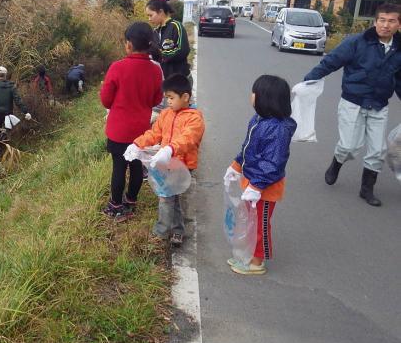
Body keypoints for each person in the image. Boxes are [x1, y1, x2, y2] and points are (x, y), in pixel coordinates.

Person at [303, 3, 401, 207]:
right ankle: (336, 164)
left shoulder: (399, 49)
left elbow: (399, 80)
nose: (385, 25)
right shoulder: (357, 42)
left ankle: (367, 190)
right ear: (375, 22)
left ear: (398, 24)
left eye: (391, 21)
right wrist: (307, 82)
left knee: (377, 150)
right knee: (349, 147)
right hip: (352, 102)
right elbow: (331, 62)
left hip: (379, 105)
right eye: (382, 20)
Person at [223, 75, 297, 275]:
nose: (251, 96)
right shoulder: (258, 120)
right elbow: (249, 149)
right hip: (252, 182)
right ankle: (248, 255)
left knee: (260, 225)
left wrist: (257, 186)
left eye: (254, 92)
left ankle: (256, 262)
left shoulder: (279, 129)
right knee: (249, 220)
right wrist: (236, 165)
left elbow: (273, 163)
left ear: (265, 98)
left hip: (265, 187)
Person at [126, 74, 205, 247]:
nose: (168, 101)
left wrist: (170, 149)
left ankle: (160, 233)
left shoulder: (194, 118)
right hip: (166, 164)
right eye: (166, 98)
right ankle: (177, 230)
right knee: (172, 197)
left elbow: (188, 138)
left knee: (166, 196)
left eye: (171, 97)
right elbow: (155, 134)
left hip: (182, 165)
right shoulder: (166, 114)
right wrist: (137, 144)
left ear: (185, 97)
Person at [100, 22, 163, 221]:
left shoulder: (117, 67)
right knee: (136, 166)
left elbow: (106, 100)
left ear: (128, 44)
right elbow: (156, 100)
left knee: (119, 167)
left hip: (118, 131)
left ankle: (116, 207)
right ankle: (131, 201)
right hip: (142, 131)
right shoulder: (155, 71)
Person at [146, 0, 191, 79]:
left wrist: (161, 54)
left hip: (178, 78)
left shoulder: (176, 26)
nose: (149, 19)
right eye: (148, 16)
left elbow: (183, 50)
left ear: (160, 12)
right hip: (163, 78)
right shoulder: (155, 31)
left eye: (151, 15)